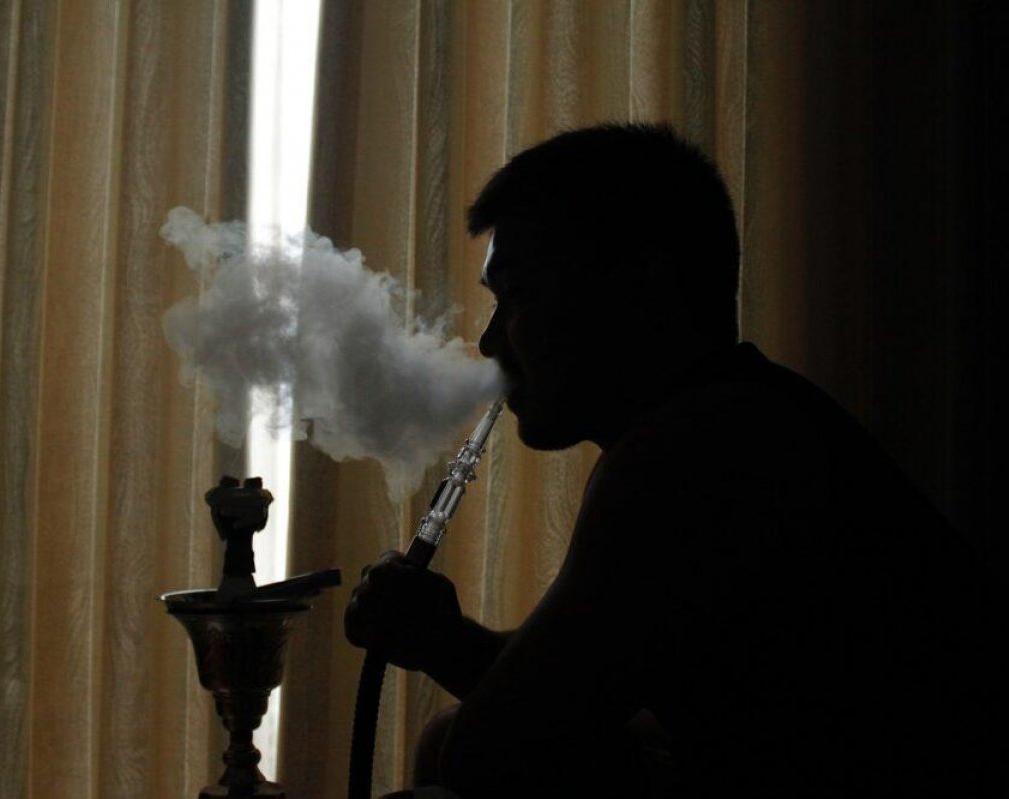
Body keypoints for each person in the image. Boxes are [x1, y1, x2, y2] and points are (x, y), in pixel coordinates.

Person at [344, 123, 1004, 798]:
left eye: (519, 295)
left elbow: (492, 751)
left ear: (644, 292)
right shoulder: (732, 417)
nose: (488, 342)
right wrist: (443, 639)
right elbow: (578, 684)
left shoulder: (699, 452)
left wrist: (444, 647)